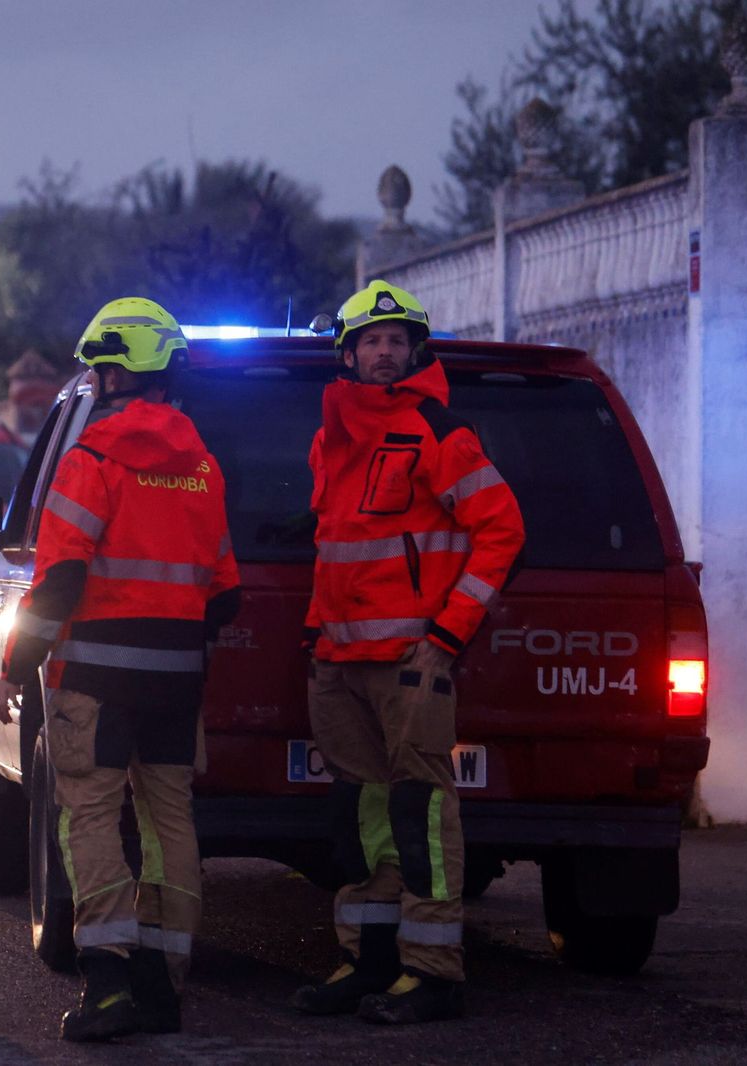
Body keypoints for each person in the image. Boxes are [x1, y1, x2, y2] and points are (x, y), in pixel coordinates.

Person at [0, 297, 241, 1042]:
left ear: (112, 373)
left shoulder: (91, 458)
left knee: (92, 819)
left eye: (98, 370)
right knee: (170, 821)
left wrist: (16, 664)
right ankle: (164, 987)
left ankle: (106, 987)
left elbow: (58, 581)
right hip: (175, 683)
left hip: (95, 681)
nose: (95, 383)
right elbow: (225, 596)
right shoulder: (201, 466)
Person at [291, 281, 524, 1025]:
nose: (385, 351)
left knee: (421, 815)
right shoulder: (330, 438)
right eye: (372, 340)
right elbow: (340, 548)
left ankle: (434, 975)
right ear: (348, 354)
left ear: (414, 350)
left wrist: (448, 636)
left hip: (412, 665)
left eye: (397, 339)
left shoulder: (438, 430)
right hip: (340, 661)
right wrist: (318, 638)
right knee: (361, 820)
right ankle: (370, 963)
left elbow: (502, 533)